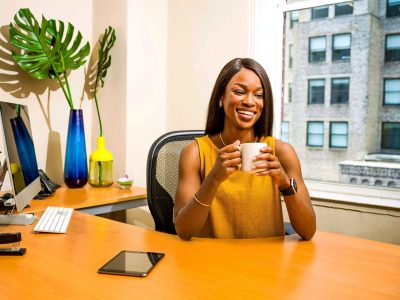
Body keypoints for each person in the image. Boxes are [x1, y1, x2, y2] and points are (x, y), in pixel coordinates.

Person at [174, 58, 316, 240]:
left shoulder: (282, 152)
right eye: (239, 91)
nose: (250, 101)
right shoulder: (194, 153)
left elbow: (308, 231)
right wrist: (213, 179)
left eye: (259, 95)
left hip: (266, 262)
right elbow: (184, 230)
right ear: (221, 98)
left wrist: (285, 184)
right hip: (211, 262)